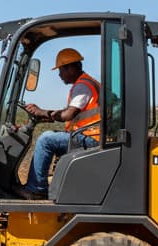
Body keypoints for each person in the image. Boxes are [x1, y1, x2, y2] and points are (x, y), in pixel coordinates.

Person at [21, 48, 101, 199]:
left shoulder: (83, 86)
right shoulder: (87, 83)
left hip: (92, 138)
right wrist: (46, 115)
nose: (59, 75)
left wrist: (42, 112)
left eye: (61, 70)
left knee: (46, 139)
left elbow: (67, 114)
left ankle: (36, 189)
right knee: (52, 137)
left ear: (70, 68)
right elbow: (72, 113)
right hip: (91, 135)